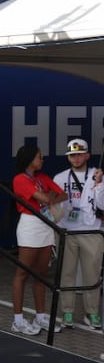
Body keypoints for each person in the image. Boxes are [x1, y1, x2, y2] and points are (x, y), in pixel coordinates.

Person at [11, 144, 68, 335]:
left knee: (41, 273)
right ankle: (17, 320)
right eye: (39, 157)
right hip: (30, 225)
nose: (42, 160)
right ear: (29, 159)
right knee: (22, 273)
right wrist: (48, 197)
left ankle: (40, 316)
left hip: (47, 224)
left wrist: (48, 198)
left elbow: (63, 195)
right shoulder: (19, 179)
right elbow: (44, 197)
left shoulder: (43, 177)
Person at [52, 138, 104, 330]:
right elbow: (54, 207)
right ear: (68, 157)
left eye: (80, 154)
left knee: (92, 275)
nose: (76, 158)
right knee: (67, 274)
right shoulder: (59, 178)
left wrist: (99, 184)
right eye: (72, 155)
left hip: (92, 231)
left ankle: (92, 313)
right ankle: (67, 311)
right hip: (67, 232)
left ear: (88, 155)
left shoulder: (97, 175)